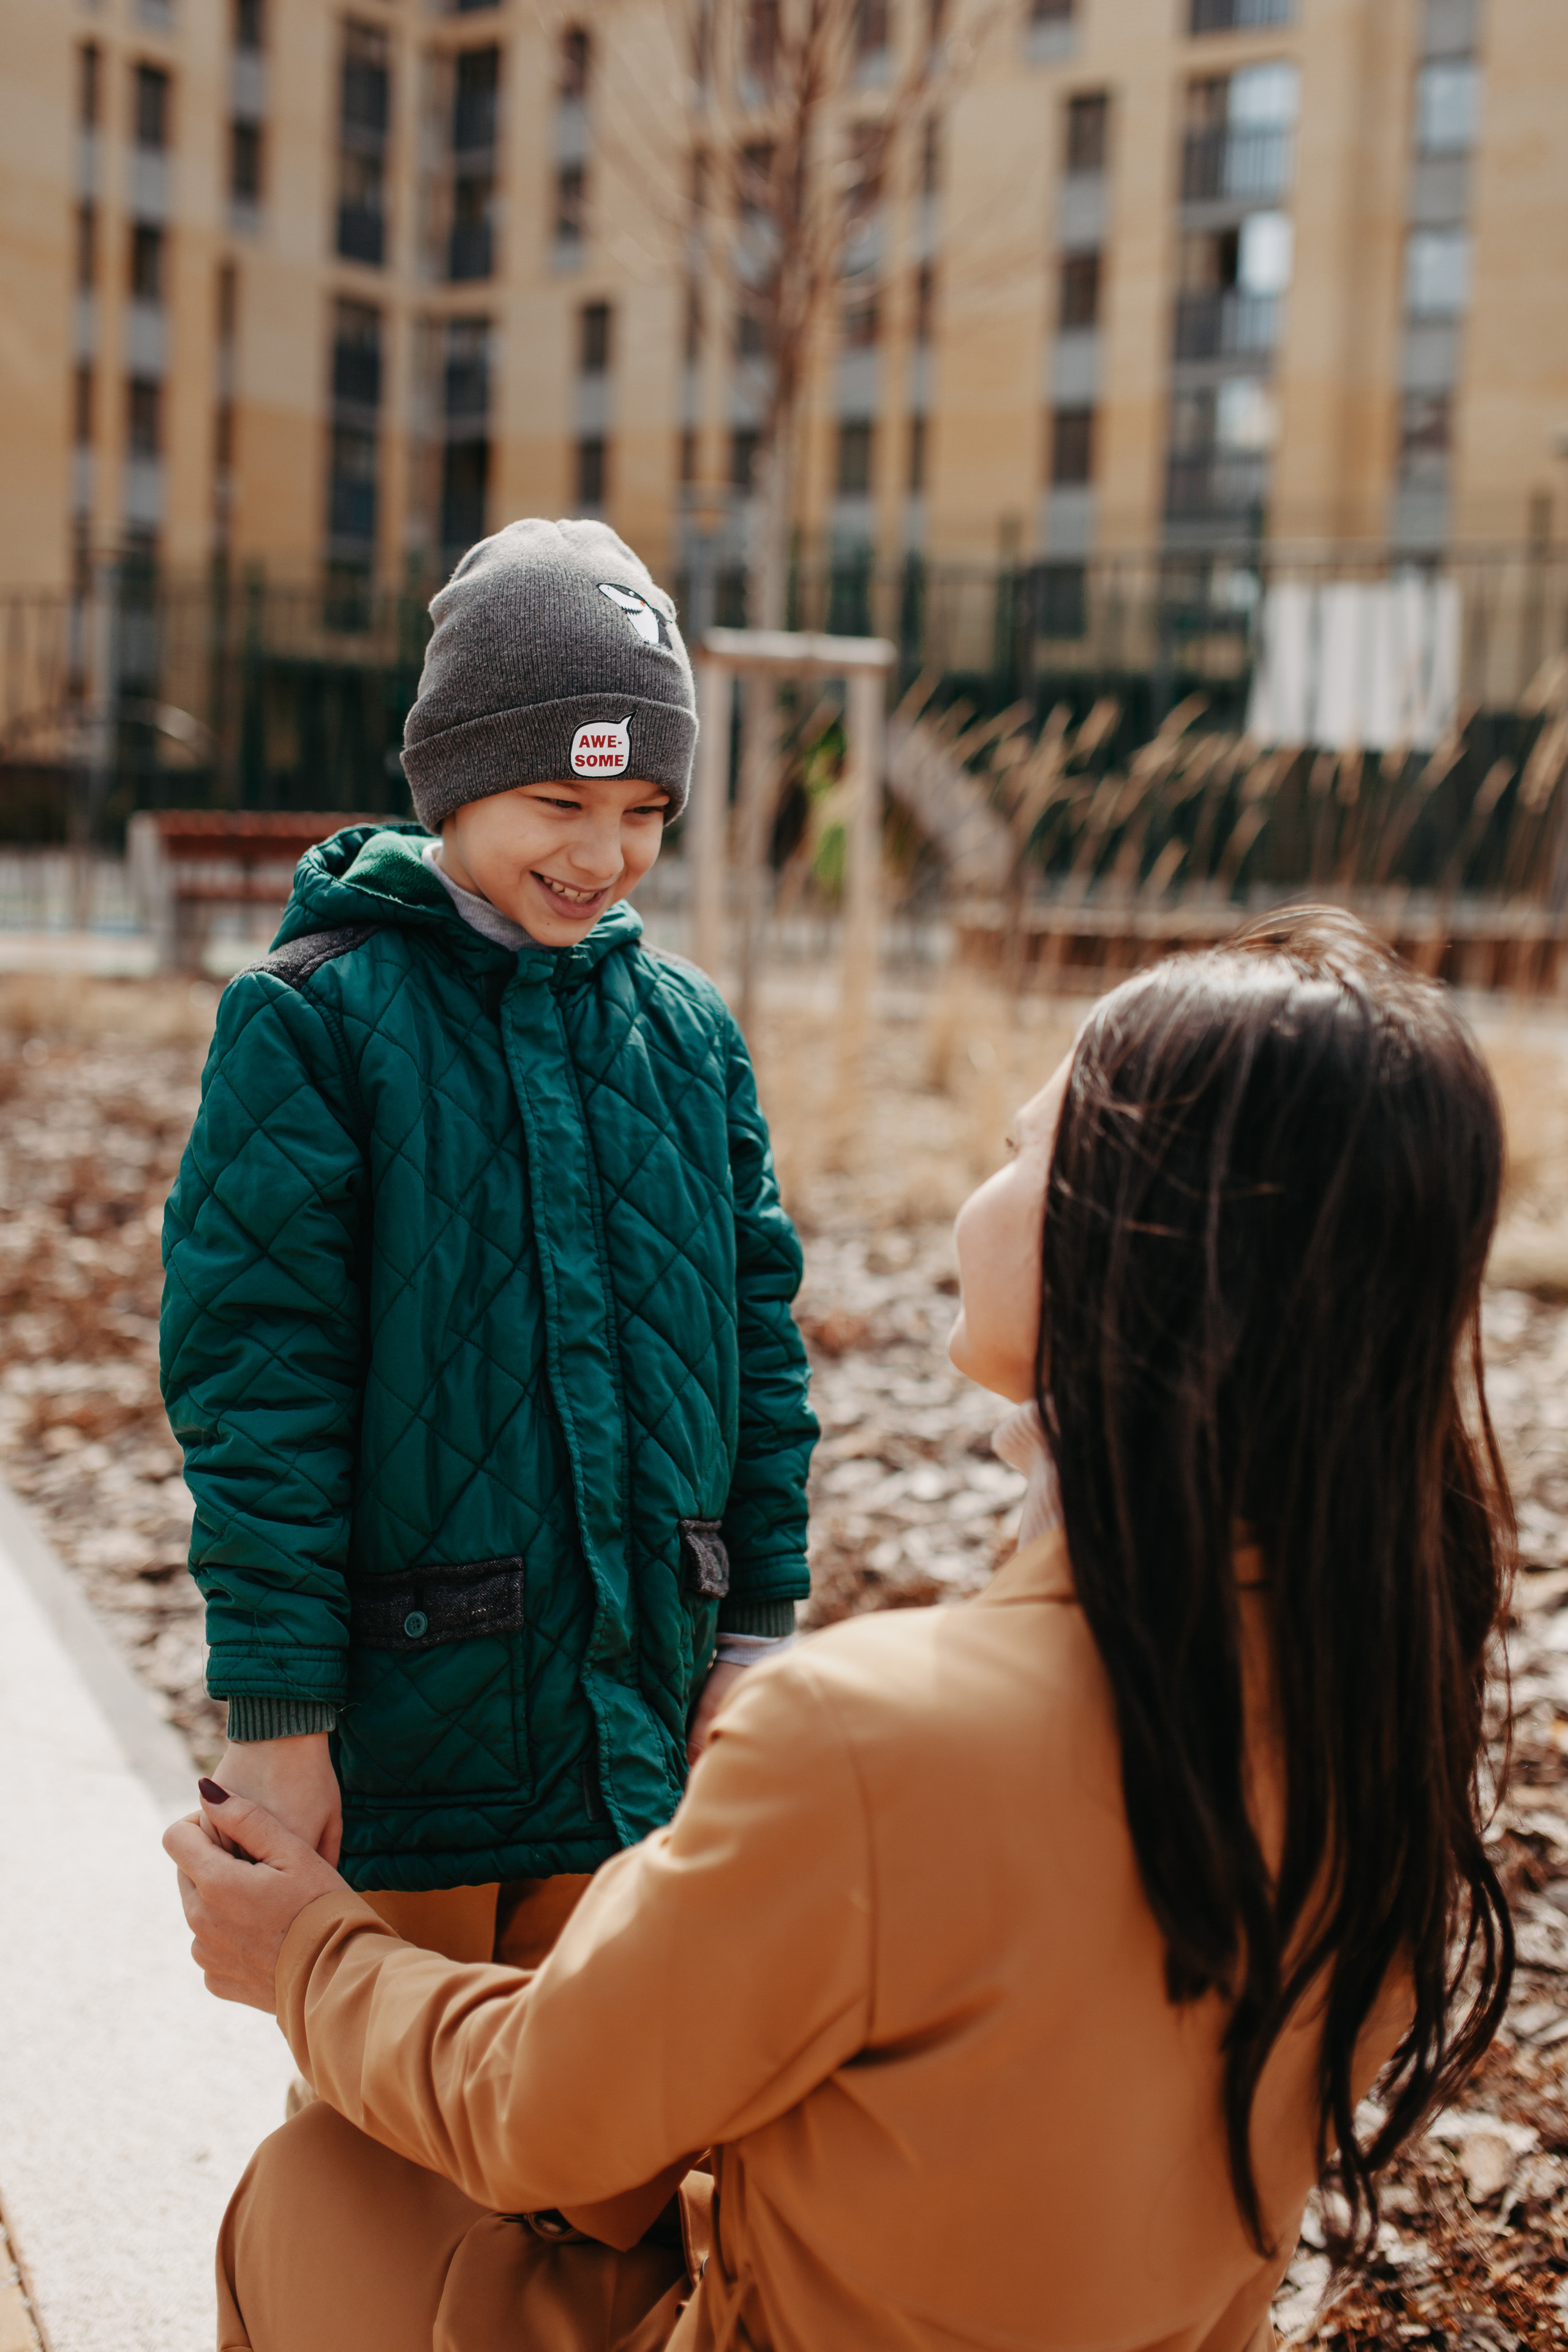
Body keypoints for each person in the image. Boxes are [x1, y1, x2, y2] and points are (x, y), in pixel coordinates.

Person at [167, 908, 1514, 2352]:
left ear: (1115, 1243)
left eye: (1016, 1150)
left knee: (318, 2183)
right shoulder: (1383, 1722)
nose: (980, 1183)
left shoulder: (875, 1737)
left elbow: (532, 2119)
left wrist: (301, 1948)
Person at [159, 518, 816, 1975]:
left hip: (640, 1721)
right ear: (453, 781)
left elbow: (758, 1347)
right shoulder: (317, 1022)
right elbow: (257, 1385)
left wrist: (757, 1634)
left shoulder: (688, 1039)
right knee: (390, 2138)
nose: (604, 855)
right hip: (413, 1732)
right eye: (555, 802)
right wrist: (280, 1720)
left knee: (607, 2139)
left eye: (646, 809)